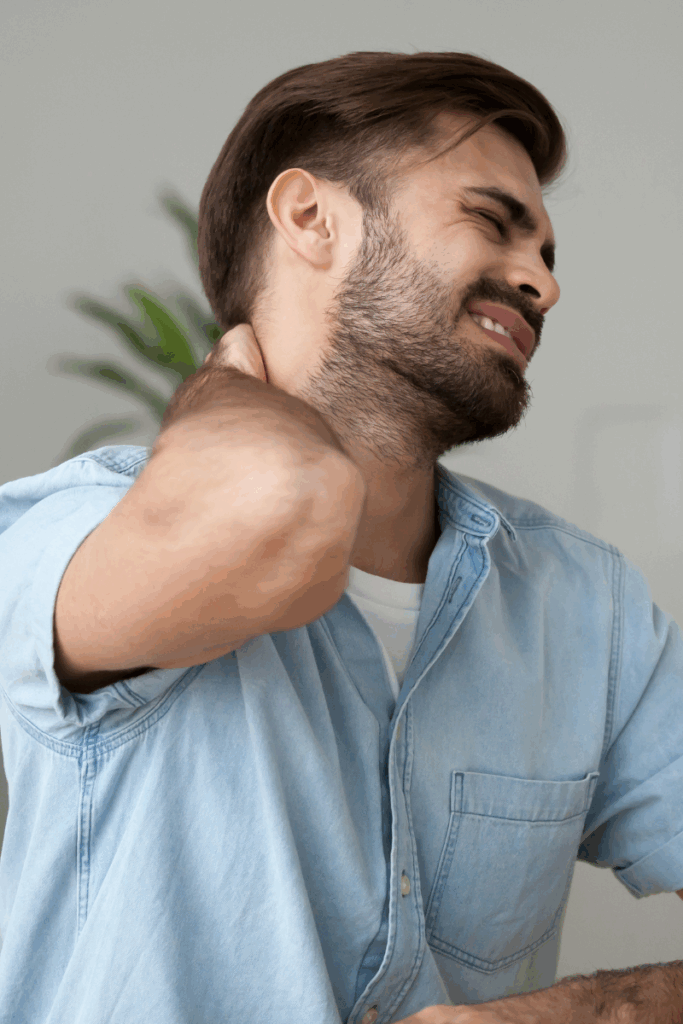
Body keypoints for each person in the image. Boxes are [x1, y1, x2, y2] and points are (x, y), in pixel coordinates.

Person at [0, 50, 681, 1024]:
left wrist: (571, 1014)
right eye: (494, 221)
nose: (540, 282)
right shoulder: (67, 534)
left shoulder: (587, 607)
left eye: (548, 256)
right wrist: (228, 376)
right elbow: (287, 510)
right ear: (310, 219)